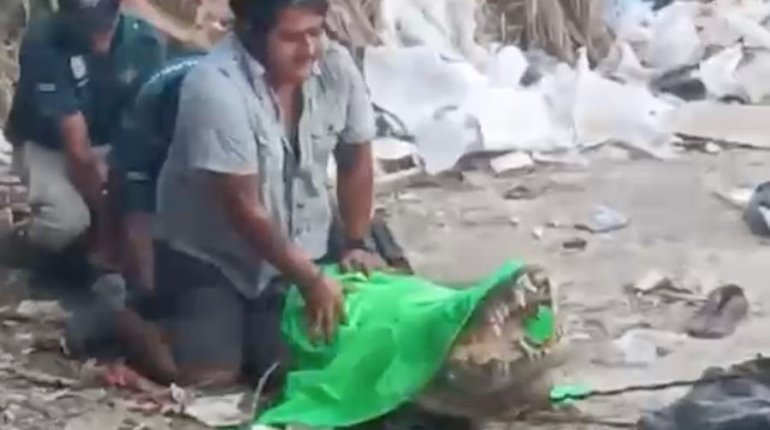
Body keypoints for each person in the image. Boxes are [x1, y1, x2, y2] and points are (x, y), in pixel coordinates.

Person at [154, 0, 385, 387]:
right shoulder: (214, 85)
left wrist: (356, 240)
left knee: (293, 363)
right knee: (208, 377)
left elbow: (356, 157)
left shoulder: (336, 65)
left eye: (315, 32)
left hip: (297, 244)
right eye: (292, 37)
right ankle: (124, 315)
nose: (309, 49)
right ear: (251, 34)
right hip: (214, 255)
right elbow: (243, 207)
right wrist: (311, 280)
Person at [4, 0, 165, 273]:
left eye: (105, 25)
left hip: (110, 141)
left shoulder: (146, 42)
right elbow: (77, 150)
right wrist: (107, 217)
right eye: (87, 27)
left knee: (145, 204)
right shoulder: (44, 42)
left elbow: (144, 127)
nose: (99, 39)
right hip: (47, 143)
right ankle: (18, 244)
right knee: (67, 221)